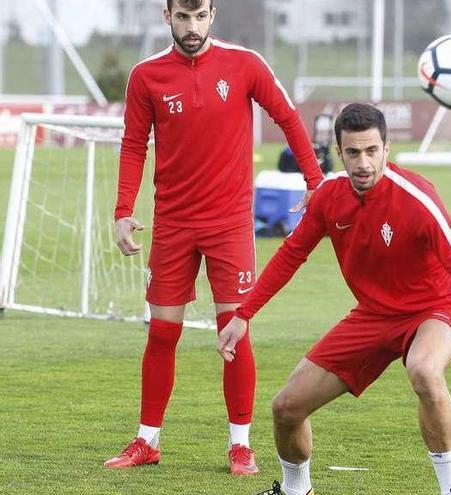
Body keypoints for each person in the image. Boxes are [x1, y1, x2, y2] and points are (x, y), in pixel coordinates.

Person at [217, 103, 451, 495]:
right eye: (354, 153)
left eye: (372, 151)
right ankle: (296, 491)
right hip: (373, 316)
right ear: (340, 154)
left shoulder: (418, 199)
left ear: (387, 148)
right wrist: (244, 314)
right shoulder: (329, 197)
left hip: (436, 308)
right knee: (286, 408)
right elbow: (291, 255)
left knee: (425, 372)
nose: (364, 163)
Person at [105, 0, 325, 476]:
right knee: (162, 332)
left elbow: (287, 116)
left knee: (234, 330)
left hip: (228, 225)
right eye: (182, 18)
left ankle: (240, 445)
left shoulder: (244, 64)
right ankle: (148, 441)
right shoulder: (147, 76)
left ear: (213, 14)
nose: (192, 27)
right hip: (174, 224)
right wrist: (124, 210)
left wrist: (315, 181)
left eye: (199, 16)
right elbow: (132, 144)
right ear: (167, 17)